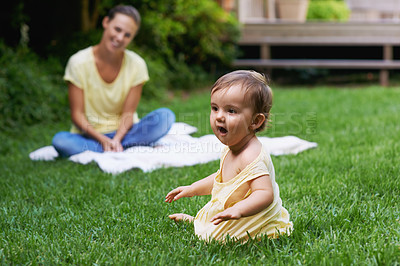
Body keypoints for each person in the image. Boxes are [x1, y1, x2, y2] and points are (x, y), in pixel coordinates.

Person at [165, 70, 293, 242]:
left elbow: (264, 193)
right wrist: (192, 189)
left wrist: (239, 210)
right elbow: (223, 179)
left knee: (215, 238)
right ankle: (199, 222)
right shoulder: (231, 147)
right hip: (238, 210)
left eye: (231, 111)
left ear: (255, 121)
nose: (219, 116)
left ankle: (207, 227)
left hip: (254, 220)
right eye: (215, 108)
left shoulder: (250, 156)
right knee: (212, 228)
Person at [52, 5, 175, 157]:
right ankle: (119, 147)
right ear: (106, 22)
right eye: (117, 29)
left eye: (127, 35)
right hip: (90, 136)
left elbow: (128, 113)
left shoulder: (137, 64)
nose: (120, 38)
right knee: (60, 141)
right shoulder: (78, 62)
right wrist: (102, 139)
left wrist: (116, 138)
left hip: (125, 132)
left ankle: (115, 146)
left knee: (165, 117)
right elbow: (77, 115)